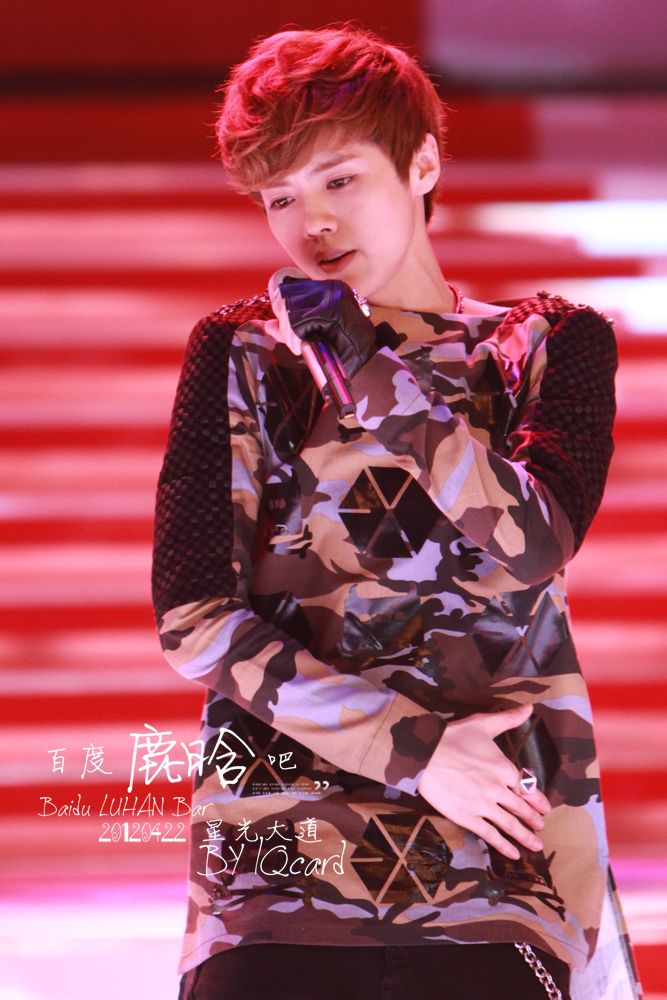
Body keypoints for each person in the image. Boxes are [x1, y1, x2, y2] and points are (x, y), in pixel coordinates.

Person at [152, 24, 641, 1000]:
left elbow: (530, 540)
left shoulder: (542, 344)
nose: (312, 224)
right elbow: (193, 615)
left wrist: (364, 367)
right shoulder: (243, 354)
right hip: (281, 873)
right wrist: (413, 750)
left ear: (421, 164)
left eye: (340, 179)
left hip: (495, 873)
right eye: (280, 197)